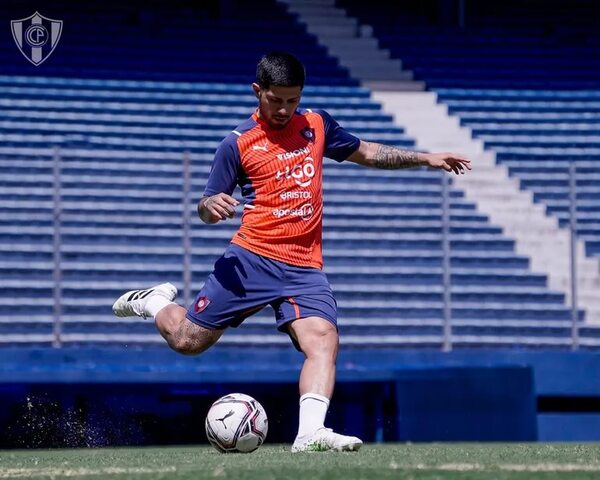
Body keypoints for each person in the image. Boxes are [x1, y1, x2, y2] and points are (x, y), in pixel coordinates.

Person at [112, 51, 471, 452]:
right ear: (257, 91)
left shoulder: (316, 124)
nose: (284, 109)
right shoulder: (236, 144)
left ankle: (310, 433)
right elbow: (207, 203)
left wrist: (426, 158)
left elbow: (367, 152)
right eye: (276, 99)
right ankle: (156, 302)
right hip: (250, 259)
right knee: (187, 341)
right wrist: (209, 207)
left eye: (293, 100)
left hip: (303, 265)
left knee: (323, 338)